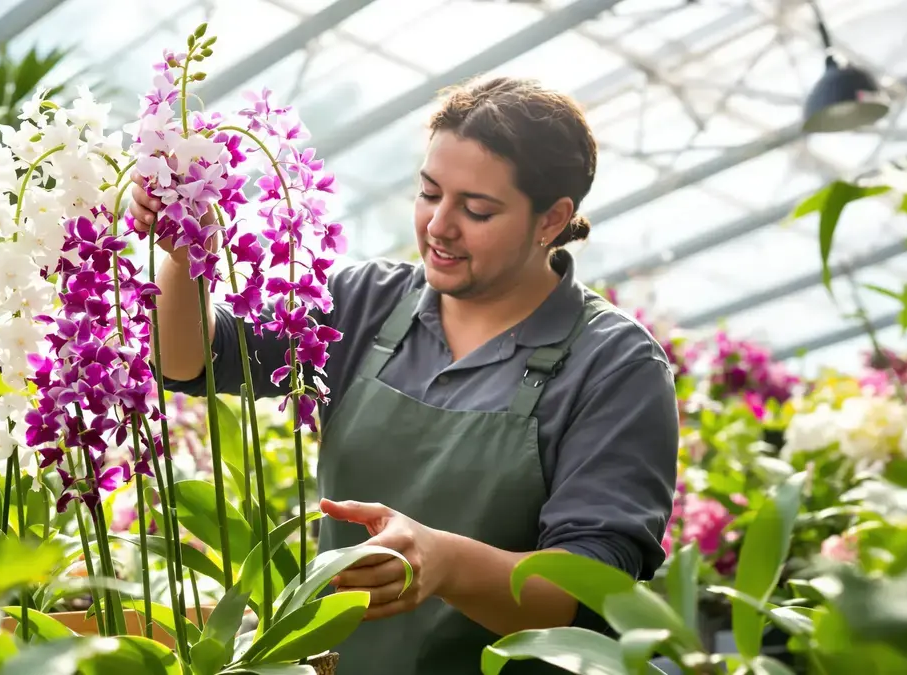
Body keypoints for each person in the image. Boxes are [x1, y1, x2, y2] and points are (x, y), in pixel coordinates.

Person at [129, 76, 679, 675]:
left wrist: (446, 563)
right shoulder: (366, 302)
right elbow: (193, 362)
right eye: (429, 193)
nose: (440, 225)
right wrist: (185, 252)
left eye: (476, 209)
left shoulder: (616, 367)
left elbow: (593, 593)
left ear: (552, 219)